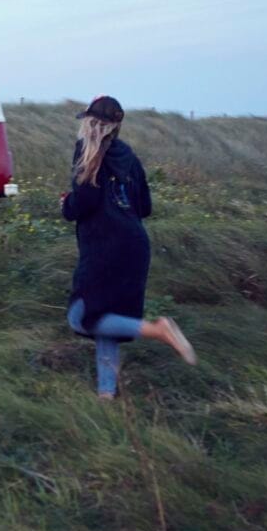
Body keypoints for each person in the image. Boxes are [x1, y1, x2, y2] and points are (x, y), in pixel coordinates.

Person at [60, 95, 196, 399]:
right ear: (118, 125)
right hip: (135, 246)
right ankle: (106, 394)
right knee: (105, 319)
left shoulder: (86, 151)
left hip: (105, 249)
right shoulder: (129, 156)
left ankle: (158, 330)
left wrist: (66, 205)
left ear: (89, 122)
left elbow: (85, 202)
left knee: (82, 317)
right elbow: (144, 206)